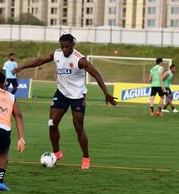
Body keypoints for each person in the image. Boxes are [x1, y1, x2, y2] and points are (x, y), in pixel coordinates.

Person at [12, 34, 117, 170]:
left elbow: (96, 74)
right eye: (63, 47)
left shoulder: (80, 60)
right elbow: (39, 61)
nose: (65, 49)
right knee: (52, 123)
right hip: (61, 94)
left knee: (78, 127)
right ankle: (57, 153)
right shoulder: (57, 54)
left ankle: (85, 158)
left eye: (67, 47)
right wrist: (22, 67)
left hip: (77, 96)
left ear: (73, 45)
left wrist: (106, 93)